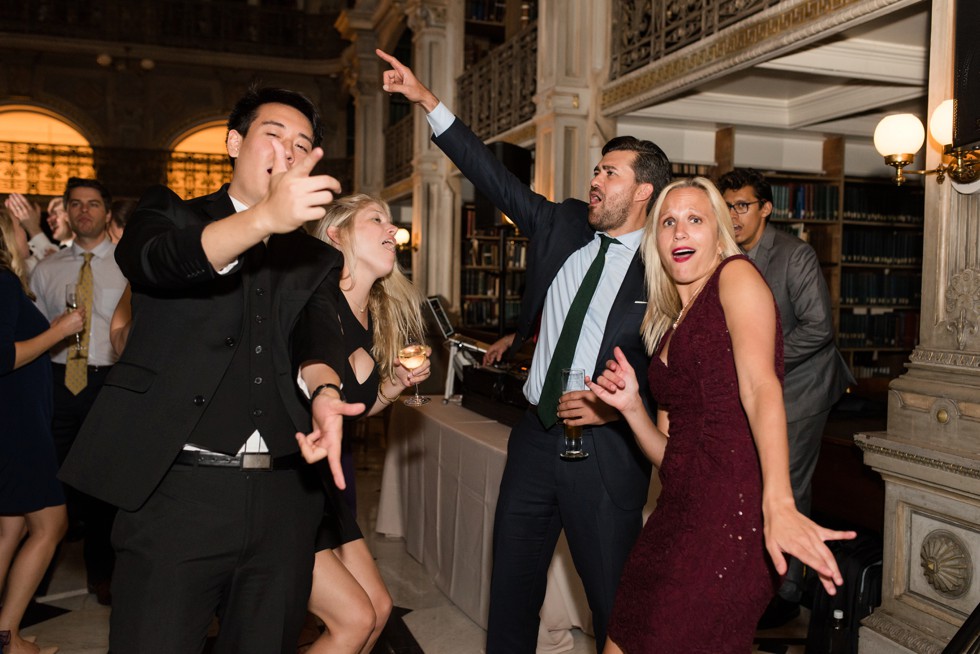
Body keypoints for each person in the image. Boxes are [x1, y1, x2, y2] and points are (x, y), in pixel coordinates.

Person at [379, 49, 667, 653]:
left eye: (610, 173)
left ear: (643, 192)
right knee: (510, 590)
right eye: (597, 169)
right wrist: (428, 102)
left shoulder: (665, 269)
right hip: (535, 439)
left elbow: (676, 368)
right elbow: (491, 175)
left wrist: (617, 410)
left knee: (613, 600)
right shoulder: (561, 225)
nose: (595, 180)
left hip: (606, 451)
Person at [59, 86, 364, 654]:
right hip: (176, 491)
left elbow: (317, 337)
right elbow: (159, 263)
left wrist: (324, 390)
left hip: (282, 495)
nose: (289, 151)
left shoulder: (317, 257)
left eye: (304, 144)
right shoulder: (167, 213)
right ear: (233, 142)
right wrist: (263, 220)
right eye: (273, 134)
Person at [586, 177, 855, 653]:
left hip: (730, 519)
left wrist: (779, 502)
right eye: (668, 222)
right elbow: (670, 456)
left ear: (718, 232)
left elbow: (760, 387)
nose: (680, 233)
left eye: (695, 220)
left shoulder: (736, 276)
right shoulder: (668, 324)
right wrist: (631, 408)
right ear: (655, 238)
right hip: (677, 513)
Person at [717, 168, 855, 628]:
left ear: (766, 209)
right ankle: (754, 577)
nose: (733, 215)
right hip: (756, 385)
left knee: (788, 487)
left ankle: (787, 593)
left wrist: (761, 360)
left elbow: (819, 328)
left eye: (742, 206)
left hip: (801, 387)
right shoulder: (722, 254)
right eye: (728, 205)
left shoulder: (795, 255)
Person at [299, 194, 430, 654]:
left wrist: (392, 386)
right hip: (288, 483)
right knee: (353, 620)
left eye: (391, 222)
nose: (392, 230)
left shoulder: (373, 314)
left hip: (325, 488)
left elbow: (359, 405)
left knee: (377, 609)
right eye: (377, 219)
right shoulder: (317, 302)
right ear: (336, 235)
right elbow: (318, 384)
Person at [28, 177, 127, 606]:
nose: (84, 211)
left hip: (108, 381)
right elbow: (32, 334)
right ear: (66, 213)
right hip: (57, 381)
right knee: (48, 482)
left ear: (107, 212)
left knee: (104, 483)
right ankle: (34, 576)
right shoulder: (46, 269)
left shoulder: (128, 266)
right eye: (76, 204)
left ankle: (103, 575)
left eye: (93, 204)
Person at [0, 209, 82, 654]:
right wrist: (59, 333)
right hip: (17, 426)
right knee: (52, 525)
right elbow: (3, 357)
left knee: (9, 529)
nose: (25, 231)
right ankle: (8, 637)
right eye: (15, 225)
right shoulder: (3, 282)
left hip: (14, 420)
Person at [3, 194, 59, 274]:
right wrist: (33, 228)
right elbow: (59, 271)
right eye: (20, 225)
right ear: (7, 235)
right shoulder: (8, 278)